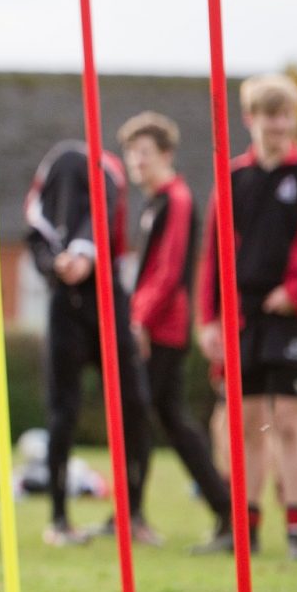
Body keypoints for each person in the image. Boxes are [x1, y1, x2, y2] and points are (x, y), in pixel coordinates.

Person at [197, 74, 297, 560]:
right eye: (268, 115)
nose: (277, 125)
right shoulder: (232, 177)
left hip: (291, 315)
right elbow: (212, 255)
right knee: (245, 422)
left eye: (285, 115)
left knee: (287, 419)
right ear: (250, 119)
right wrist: (209, 318)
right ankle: (246, 528)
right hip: (242, 315)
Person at [24, 139, 155, 546]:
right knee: (62, 412)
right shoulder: (56, 167)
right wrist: (55, 263)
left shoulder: (109, 170)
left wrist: (85, 253)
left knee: (135, 406)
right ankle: (59, 518)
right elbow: (35, 230)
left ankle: (131, 514)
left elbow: (103, 217)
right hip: (66, 304)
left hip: (108, 300)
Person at [118, 111, 234, 553]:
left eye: (145, 153)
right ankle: (223, 510)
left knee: (142, 416)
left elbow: (168, 272)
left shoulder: (177, 199)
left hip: (162, 330)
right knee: (169, 418)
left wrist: (140, 320)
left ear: (166, 155)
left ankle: (134, 516)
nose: (137, 161)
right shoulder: (153, 203)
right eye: (131, 153)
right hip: (154, 325)